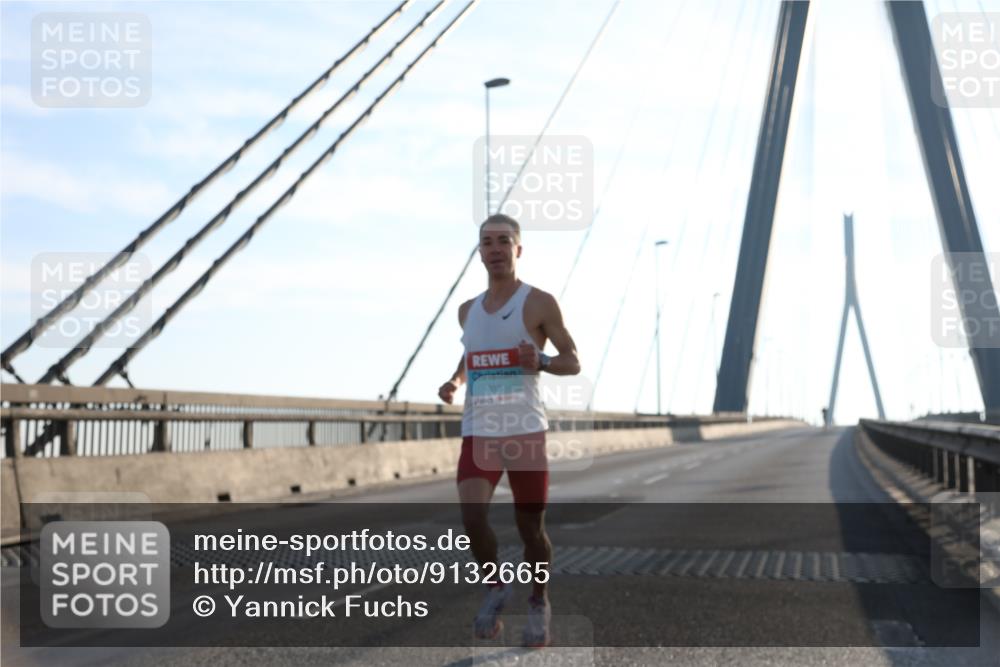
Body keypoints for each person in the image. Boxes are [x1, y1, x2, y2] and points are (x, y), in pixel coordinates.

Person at [438, 213, 580, 648]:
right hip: (480, 429)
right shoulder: (467, 311)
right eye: (487, 242)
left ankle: (539, 600)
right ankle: (496, 586)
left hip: (524, 431)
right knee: (471, 516)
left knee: (529, 529)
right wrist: (455, 381)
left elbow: (572, 360)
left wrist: (542, 362)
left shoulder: (538, 303)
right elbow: (471, 356)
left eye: (504, 241)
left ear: (518, 249)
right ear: (479, 252)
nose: (495, 249)